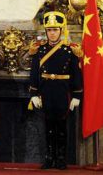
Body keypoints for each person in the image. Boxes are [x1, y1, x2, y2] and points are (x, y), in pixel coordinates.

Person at [28, 11, 82, 170]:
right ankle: (49, 157)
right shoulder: (40, 49)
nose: (52, 33)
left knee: (62, 127)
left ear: (61, 30)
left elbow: (76, 74)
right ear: (46, 31)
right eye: (49, 30)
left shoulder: (70, 50)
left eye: (55, 30)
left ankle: (61, 158)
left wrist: (77, 95)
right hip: (46, 92)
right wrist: (33, 94)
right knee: (48, 126)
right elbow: (34, 73)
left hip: (63, 93)